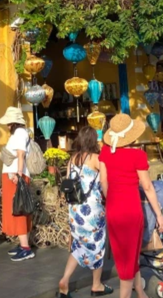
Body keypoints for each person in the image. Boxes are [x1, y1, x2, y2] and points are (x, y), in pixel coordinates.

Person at [99, 114, 163, 298]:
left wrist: (110, 198)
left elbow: (103, 181)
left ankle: (141, 292)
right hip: (130, 209)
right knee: (128, 260)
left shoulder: (105, 151)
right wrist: (159, 215)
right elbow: (147, 186)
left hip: (113, 208)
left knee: (128, 254)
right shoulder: (138, 155)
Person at [57, 127, 112, 298]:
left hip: (75, 209)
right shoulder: (97, 159)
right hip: (92, 211)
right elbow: (104, 183)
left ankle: (65, 280)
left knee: (79, 245)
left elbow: (68, 184)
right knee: (97, 246)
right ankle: (96, 285)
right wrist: (111, 200)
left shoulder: (72, 158)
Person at [0, 107, 35, 261]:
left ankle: (25, 247)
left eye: (8, 123)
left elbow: (20, 154)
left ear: (13, 123)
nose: (6, 126)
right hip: (12, 175)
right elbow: (7, 155)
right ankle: (23, 244)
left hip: (15, 176)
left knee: (18, 209)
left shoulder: (20, 133)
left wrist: (18, 174)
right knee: (17, 208)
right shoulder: (17, 135)